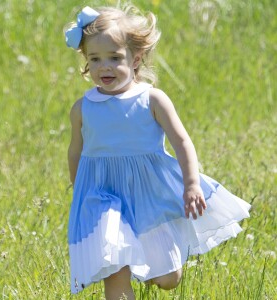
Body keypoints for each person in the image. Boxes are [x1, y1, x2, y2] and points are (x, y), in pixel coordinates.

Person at [65, 5, 251, 300]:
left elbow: (182, 142)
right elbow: (76, 151)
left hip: (149, 197)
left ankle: (152, 267)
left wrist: (191, 184)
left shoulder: (152, 99)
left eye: (115, 58)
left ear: (135, 59)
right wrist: (79, 194)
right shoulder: (82, 109)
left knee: (168, 279)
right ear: (86, 62)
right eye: (95, 59)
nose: (104, 67)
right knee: (115, 272)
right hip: (102, 199)